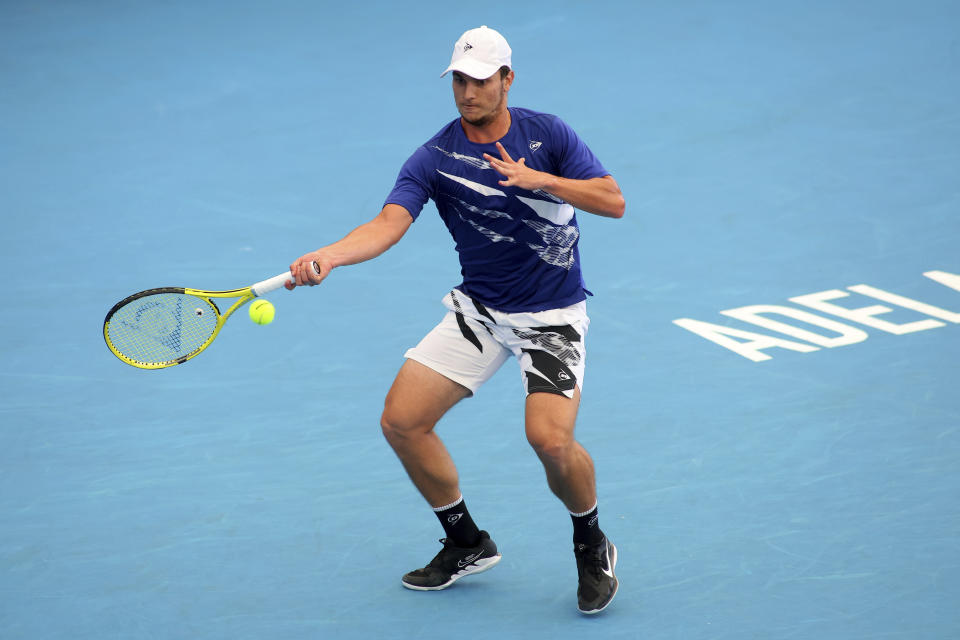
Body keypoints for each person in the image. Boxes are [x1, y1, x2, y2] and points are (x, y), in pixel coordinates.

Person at [287, 25, 625, 614]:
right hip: (481, 310)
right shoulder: (436, 156)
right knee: (402, 421)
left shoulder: (548, 135)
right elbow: (389, 223)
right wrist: (330, 256)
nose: (468, 92)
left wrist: (542, 180)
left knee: (548, 439)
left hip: (550, 316)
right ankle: (466, 542)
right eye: (459, 81)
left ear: (506, 79)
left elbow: (613, 200)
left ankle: (591, 541)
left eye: (480, 80)